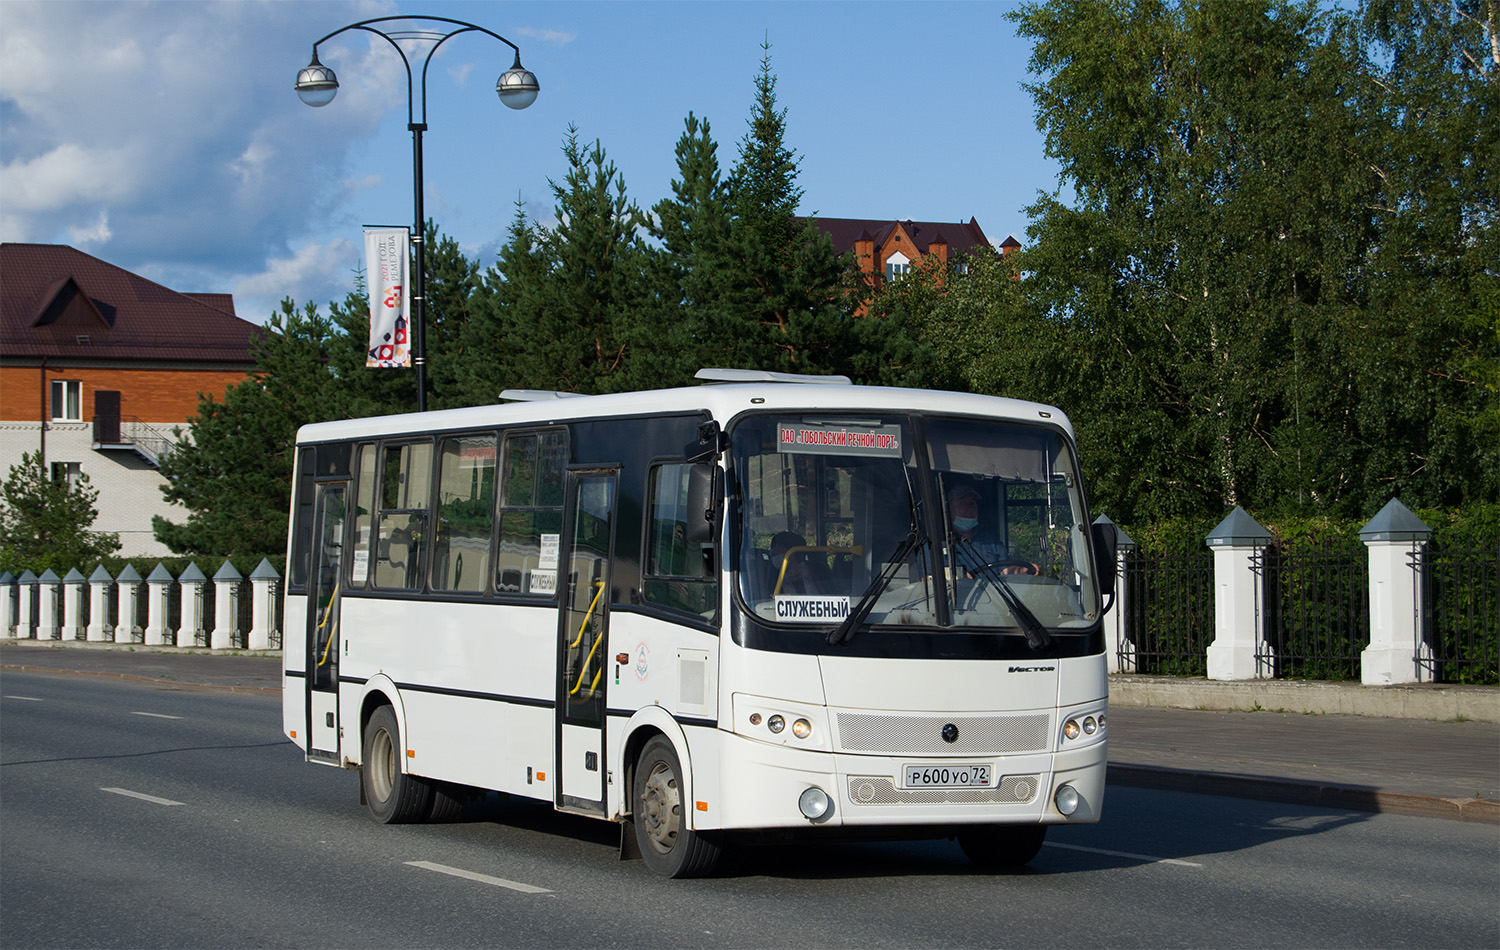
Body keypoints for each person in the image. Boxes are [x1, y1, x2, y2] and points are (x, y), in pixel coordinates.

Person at [948, 486, 1008, 576]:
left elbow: (1006, 569)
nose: (968, 508)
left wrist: (1020, 570)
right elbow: (932, 579)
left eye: (972, 503)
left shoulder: (990, 540)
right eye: (962, 503)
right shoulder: (938, 544)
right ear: (949, 509)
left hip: (997, 590)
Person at [768, 530, 823, 595]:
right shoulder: (772, 576)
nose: (772, 554)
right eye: (772, 550)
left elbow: (827, 596)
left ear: (791, 551)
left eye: (776, 549)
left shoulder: (815, 571)